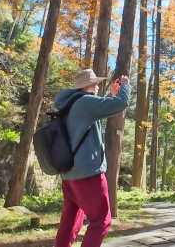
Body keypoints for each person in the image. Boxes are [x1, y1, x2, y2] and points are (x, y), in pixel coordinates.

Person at [53, 68, 130, 247]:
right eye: (95, 83)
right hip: (88, 174)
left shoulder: (69, 104)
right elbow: (121, 103)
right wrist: (125, 86)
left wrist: (111, 95)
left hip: (69, 173)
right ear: (88, 85)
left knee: (71, 220)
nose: (97, 87)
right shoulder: (85, 103)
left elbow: (99, 108)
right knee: (101, 221)